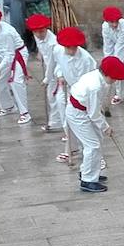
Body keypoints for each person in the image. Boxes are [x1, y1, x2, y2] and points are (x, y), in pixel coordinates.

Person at [67, 56, 124, 193]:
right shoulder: (95, 86)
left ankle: (88, 172)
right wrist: (106, 127)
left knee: (97, 141)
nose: (114, 81)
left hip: (83, 110)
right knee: (92, 145)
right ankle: (87, 180)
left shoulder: (97, 77)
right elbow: (93, 113)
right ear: (107, 74)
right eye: (114, 78)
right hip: (78, 114)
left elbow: (95, 109)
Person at [52, 26, 97, 163]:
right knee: (67, 117)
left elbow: (88, 81)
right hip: (69, 88)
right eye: (68, 48)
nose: (71, 51)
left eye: (74, 48)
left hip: (85, 92)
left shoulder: (85, 59)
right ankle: (70, 148)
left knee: (88, 123)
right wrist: (60, 75)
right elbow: (59, 65)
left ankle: (95, 155)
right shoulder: (58, 50)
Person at [0, 6, 31, 124]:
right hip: (3, 55)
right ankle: (9, 106)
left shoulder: (7, 32)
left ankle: (25, 113)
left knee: (16, 81)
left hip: (18, 54)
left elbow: (10, 55)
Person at [26, 14, 60, 131]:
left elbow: (52, 64)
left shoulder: (53, 43)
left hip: (57, 69)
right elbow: (41, 48)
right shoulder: (38, 36)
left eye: (42, 31)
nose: (39, 35)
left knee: (53, 95)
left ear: (46, 29)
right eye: (36, 32)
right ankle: (54, 120)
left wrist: (46, 79)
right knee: (51, 96)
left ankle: (56, 122)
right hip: (48, 65)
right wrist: (40, 53)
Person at [101, 6, 124, 105]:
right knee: (114, 69)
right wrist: (107, 63)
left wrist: (114, 66)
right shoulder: (105, 27)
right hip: (120, 45)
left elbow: (120, 48)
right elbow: (108, 45)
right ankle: (119, 94)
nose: (115, 24)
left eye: (116, 21)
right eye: (112, 22)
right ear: (106, 21)